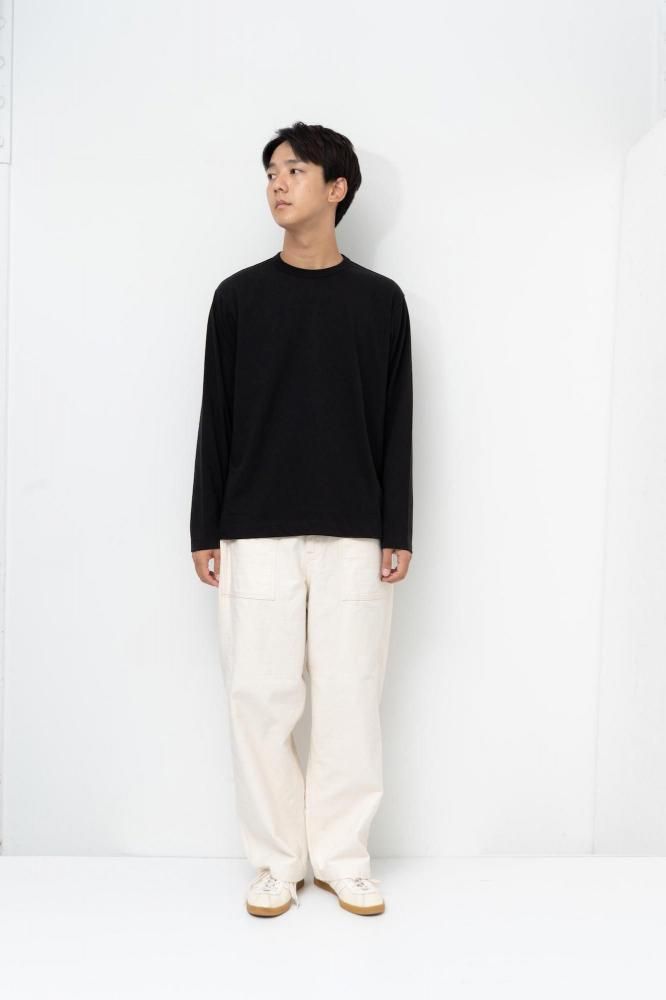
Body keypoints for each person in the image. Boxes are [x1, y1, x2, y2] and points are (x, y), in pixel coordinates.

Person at [190, 121, 413, 918]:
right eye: (271, 173)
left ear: (337, 188)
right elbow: (216, 417)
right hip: (254, 527)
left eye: (294, 170)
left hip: (355, 529)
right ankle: (277, 862)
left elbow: (396, 422)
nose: (278, 184)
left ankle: (343, 859)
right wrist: (205, 528)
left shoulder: (380, 303)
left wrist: (397, 528)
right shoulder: (238, 298)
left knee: (351, 697)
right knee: (259, 697)